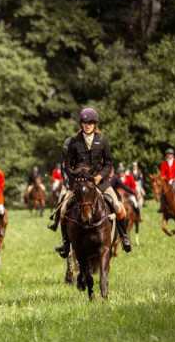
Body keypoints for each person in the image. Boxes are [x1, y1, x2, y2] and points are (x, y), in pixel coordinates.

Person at [52, 107, 131, 258]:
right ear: (81, 124)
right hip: (79, 184)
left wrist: (100, 177)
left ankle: (124, 236)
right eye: (85, 122)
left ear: (95, 124)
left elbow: (108, 163)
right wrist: (76, 178)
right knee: (63, 210)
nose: (87, 125)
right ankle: (65, 243)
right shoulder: (74, 142)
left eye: (90, 122)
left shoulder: (102, 141)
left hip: (99, 183)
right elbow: (68, 164)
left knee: (119, 207)